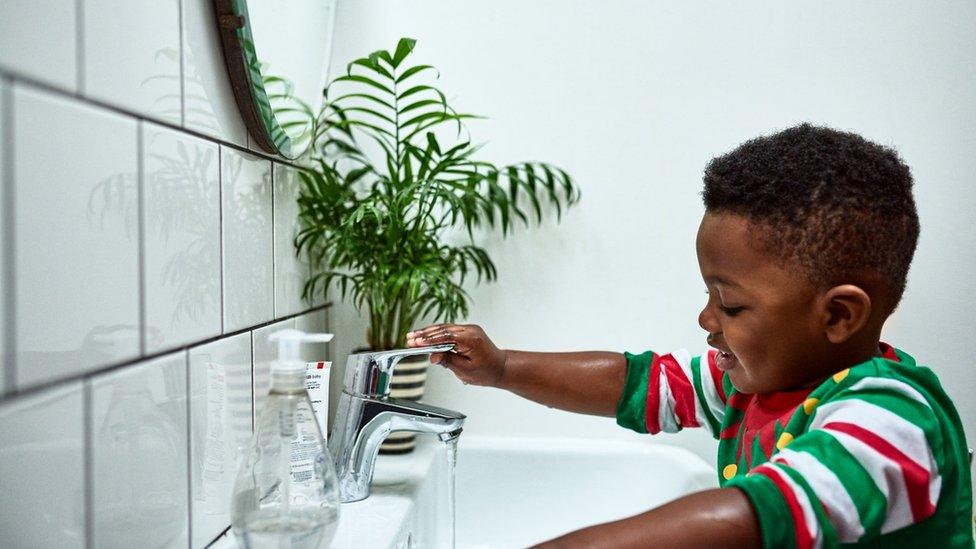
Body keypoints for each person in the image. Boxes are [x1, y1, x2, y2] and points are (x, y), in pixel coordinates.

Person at [406, 124, 974, 548]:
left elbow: (756, 514)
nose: (707, 319)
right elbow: (637, 383)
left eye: (729, 303)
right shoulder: (755, 382)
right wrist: (503, 367)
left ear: (838, 316)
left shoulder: (892, 419)